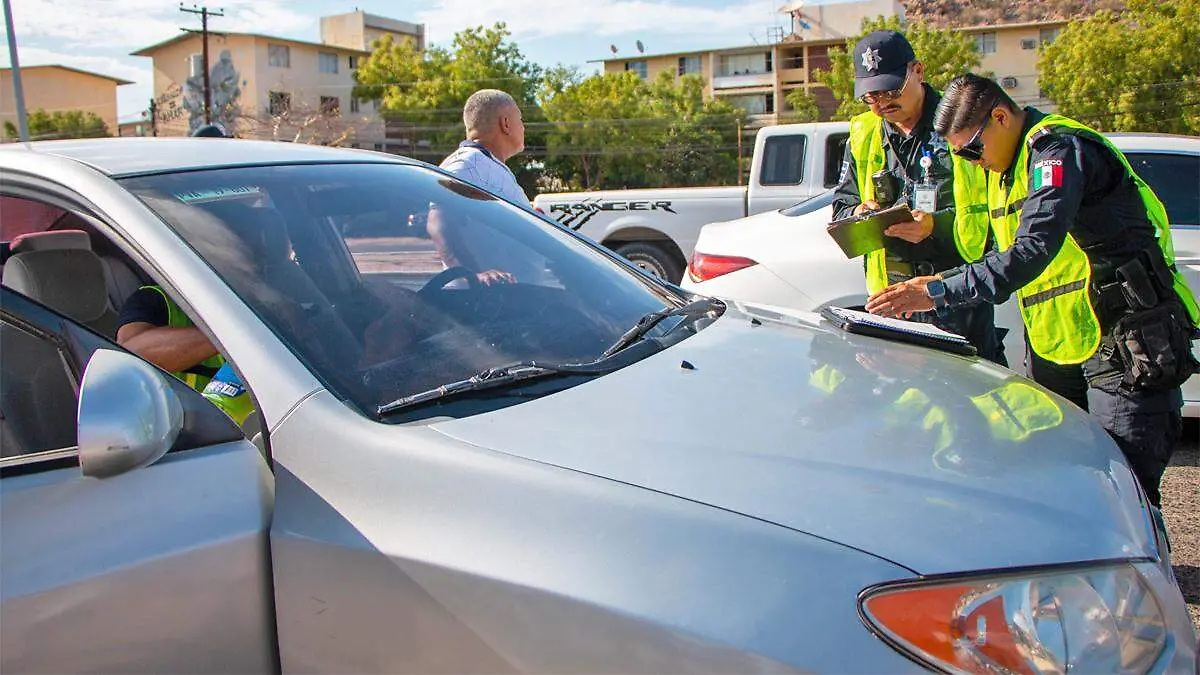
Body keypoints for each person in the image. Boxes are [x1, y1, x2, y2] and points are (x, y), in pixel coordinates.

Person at [865, 73, 1200, 507]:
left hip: (1125, 345)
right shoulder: (1006, 170)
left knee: (1125, 500)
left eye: (972, 149)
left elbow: (1031, 250)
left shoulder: (1057, 151)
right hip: (1061, 346)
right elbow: (994, 254)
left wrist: (938, 290)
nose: (972, 162)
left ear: (1001, 117)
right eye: (961, 155)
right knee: (1068, 488)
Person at [832, 31, 1004, 365]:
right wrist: (860, 213)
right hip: (893, 299)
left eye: (891, 90)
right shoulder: (864, 134)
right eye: (871, 95)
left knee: (968, 390)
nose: (882, 102)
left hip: (954, 293)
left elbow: (995, 212)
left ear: (918, 71)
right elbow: (841, 208)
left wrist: (934, 226)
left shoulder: (961, 122)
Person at [427, 88, 537, 285]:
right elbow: (438, 220)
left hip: (504, 294)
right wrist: (473, 275)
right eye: (520, 120)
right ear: (505, 123)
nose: (523, 127)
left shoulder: (485, 165)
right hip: (478, 297)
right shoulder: (466, 165)